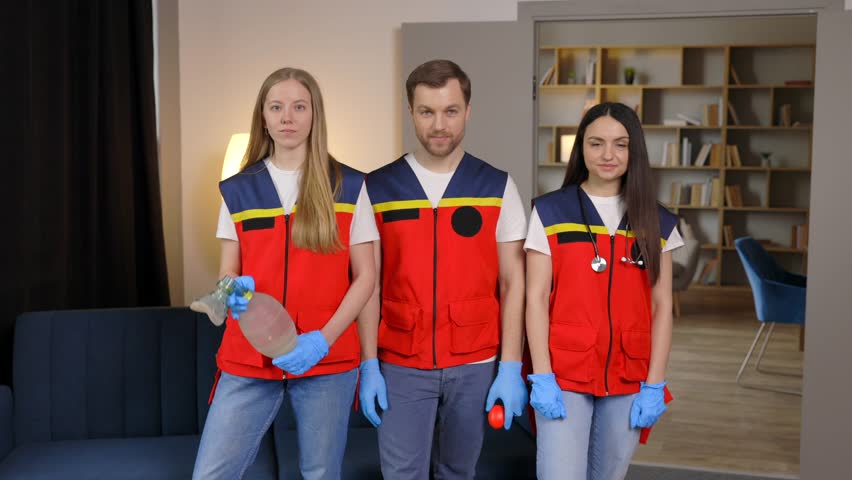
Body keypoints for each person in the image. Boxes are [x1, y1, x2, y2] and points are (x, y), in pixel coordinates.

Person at [192, 67, 378, 480]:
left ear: (315, 115)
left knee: (320, 474)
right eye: (276, 107)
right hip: (249, 355)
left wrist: (323, 341)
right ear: (263, 116)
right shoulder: (237, 190)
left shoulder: (350, 186)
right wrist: (230, 291)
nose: (287, 117)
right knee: (211, 475)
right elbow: (228, 270)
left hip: (326, 357)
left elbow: (366, 277)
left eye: (299, 106)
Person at [356, 59, 528, 480]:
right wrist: (368, 363)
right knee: (401, 474)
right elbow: (368, 284)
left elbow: (513, 282)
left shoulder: (498, 187)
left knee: (458, 472)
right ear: (411, 112)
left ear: (468, 111)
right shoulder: (376, 189)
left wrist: (509, 365)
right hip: (399, 361)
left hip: (475, 363)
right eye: (426, 111)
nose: (439, 125)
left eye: (451, 111)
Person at [524, 102, 683, 480]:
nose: (607, 155)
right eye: (596, 143)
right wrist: (542, 376)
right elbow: (534, 300)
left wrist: (655, 382)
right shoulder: (549, 213)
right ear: (581, 149)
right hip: (563, 374)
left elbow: (662, 307)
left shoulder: (658, 221)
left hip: (630, 373)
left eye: (620, 144)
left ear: (635, 151)